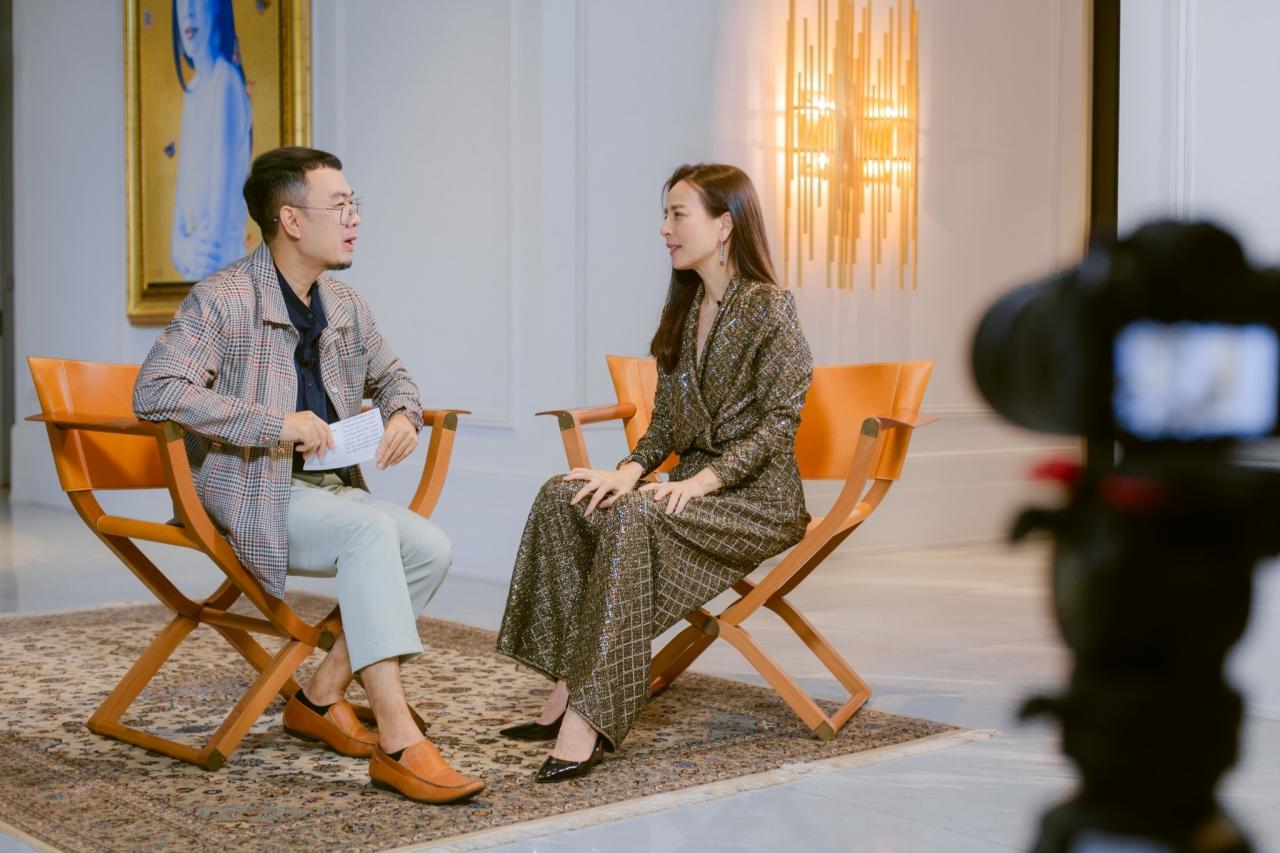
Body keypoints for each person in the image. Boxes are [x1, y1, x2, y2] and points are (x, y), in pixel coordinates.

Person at [134, 146, 484, 804]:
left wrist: (403, 414)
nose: (355, 219)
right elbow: (156, 391)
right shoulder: (222, 300)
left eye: (355, 204)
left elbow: (395, 376)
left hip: (326, 489)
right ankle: (399, 742)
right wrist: (273, 422)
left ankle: (320, 695)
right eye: (340, 205)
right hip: (248, 491)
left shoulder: (344, 303)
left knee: (429, 548)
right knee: (369, 536)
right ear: (291, 220)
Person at [495, 163, 813, 782]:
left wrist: (697, 483)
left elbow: (780, 425)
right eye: (665, 215)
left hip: (756, 501)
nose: (664, 228)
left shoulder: (770, 308)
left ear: (724, 225)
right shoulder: (685, 308)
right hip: (693, 490)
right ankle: (568, 683)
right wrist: (629, 469)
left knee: (635, 518)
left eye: (678, 214)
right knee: (567, 495)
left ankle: (586, 720)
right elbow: (665, 423)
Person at [170, 0, 253, 280]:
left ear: (217, 6)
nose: (189, 11)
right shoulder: (193, 90)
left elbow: (215, 232)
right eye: (182, 3)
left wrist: (189, 251)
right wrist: (185, 249)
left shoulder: (225, 82)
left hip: (221, 276)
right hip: (200, 277)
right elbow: (177, 243)